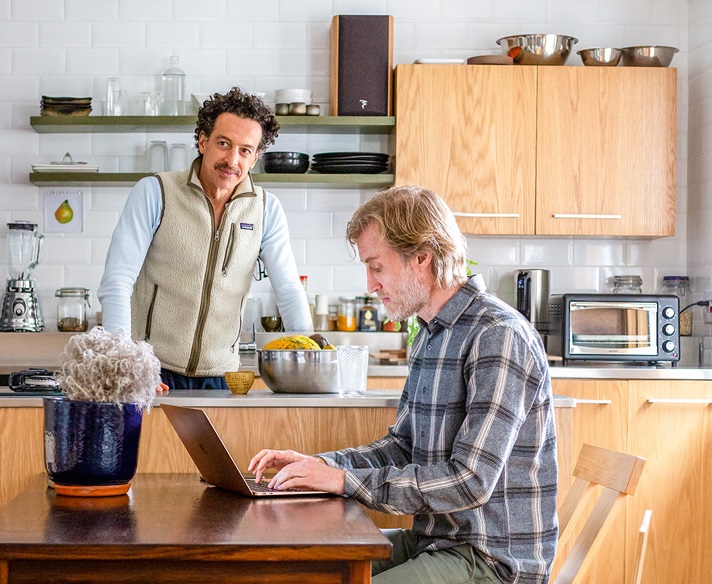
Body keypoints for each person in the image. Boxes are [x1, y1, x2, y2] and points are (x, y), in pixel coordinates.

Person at [248, 185, 558, 584]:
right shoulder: (430, 333)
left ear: (422, 258)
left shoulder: (497, 335)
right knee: (307, 569)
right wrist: (323, 465)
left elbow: (471, 481)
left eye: (377, 267)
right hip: (438, 539)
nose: (371, 284)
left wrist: (343, 481)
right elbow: (403, 446)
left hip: (492, 560)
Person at [98, 88, 313, 389]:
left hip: (222, 377)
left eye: (245, 150)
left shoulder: (267, 209)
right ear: (202, 141)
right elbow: (117, 281)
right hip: (150, 371)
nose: (232, 160)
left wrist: (311, 356)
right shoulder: (155, 192)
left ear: (255, 158)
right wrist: (123, 364)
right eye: (223, 144)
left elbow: (289, 289)